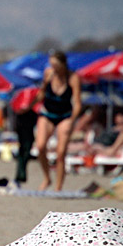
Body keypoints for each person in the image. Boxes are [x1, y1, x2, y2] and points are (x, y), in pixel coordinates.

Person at [23, 51, 82, 191]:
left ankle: (58, 186)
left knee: (61, 152)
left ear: (63, 65)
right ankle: (47, 178)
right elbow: (42, 92)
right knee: (40, 146)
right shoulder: (49, 74)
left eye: (56, 65)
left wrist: (72, 120)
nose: (53, 67)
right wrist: (29, 105)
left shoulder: (72, 78)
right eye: (51, 64)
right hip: (47, 113)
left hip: (65, 115)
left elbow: (78, 103)